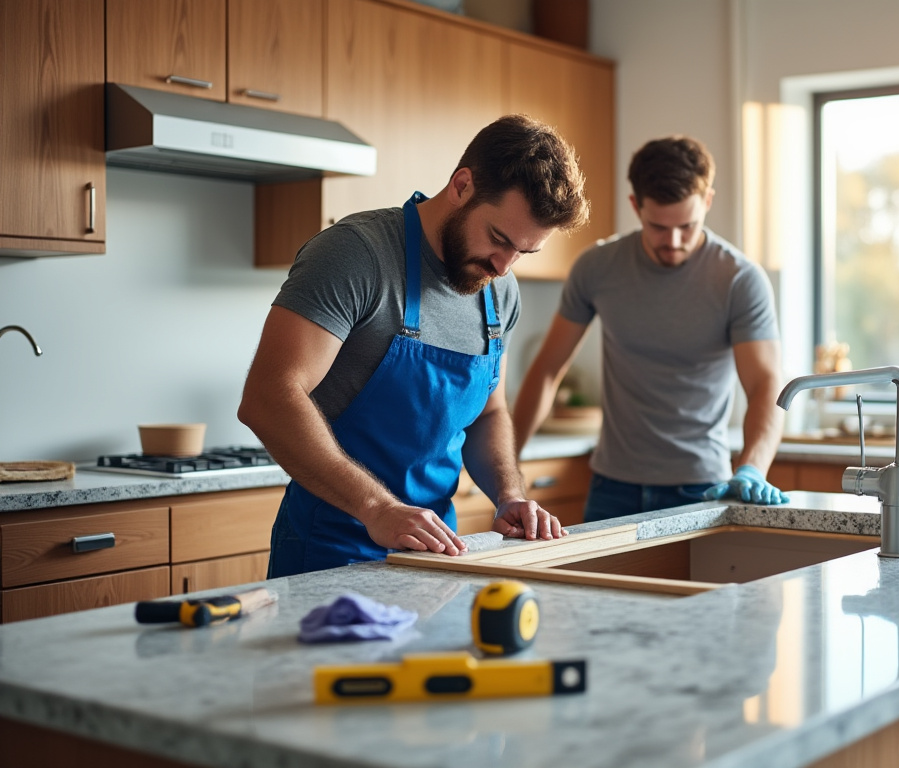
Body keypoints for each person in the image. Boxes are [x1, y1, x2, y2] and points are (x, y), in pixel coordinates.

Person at [238, 115, 590, 578]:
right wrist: (377, 507)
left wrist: (510, 494)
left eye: (525, 252)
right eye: (500, 239)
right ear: (462, 185)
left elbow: (489, 413)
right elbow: (269, 397)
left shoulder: (499, 290)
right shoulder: (356, 255)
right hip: (328, 553)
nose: (505, 267)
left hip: (438, 555)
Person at [512, 135, 788, 522]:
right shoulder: (596, 267)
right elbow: (546, 370)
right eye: (658, 226)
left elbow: (765, 385)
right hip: (611, 487)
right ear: (635, 206)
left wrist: (753, 467)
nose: (673, 242)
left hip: (701, 487)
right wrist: (507, 471)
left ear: (707, 201)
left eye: (687, 226)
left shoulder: (739, 280)